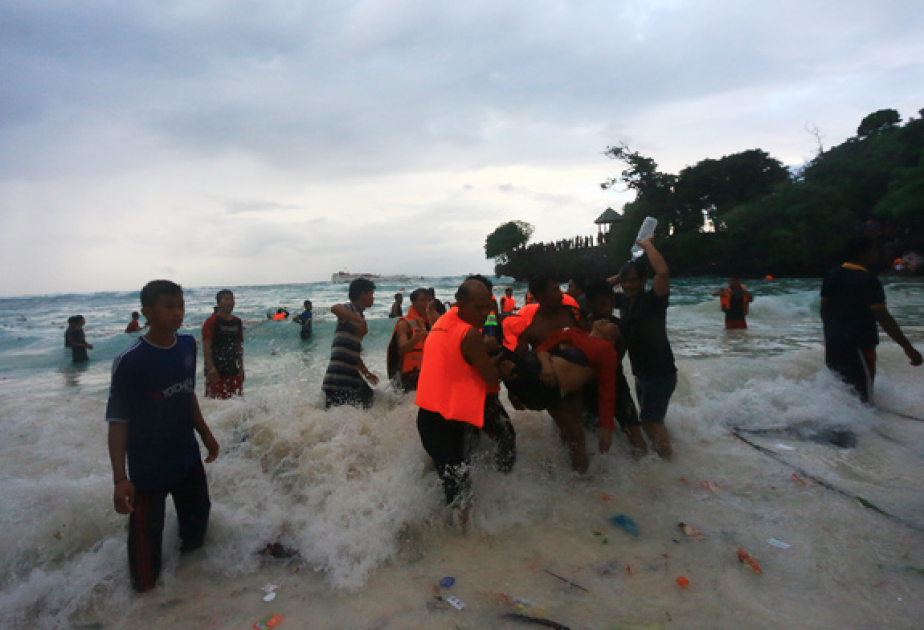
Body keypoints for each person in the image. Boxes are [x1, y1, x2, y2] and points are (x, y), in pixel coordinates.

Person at [106, 280, 220, 593]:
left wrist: (205, 433)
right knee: (144, 573)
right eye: (169, 307)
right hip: (148, 470)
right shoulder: (131, 361)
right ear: (147, 312)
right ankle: (146, 608)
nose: (178, 313)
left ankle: (189, 596)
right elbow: (117, 422)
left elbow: (188, 393)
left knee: (195, 538)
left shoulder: (187, 345)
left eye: (181, 305)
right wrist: (120, 478)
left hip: (187, 458)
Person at [415, 277, 511, 512]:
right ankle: (464, 529)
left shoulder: (442, 321)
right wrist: (497, 358)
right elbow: (490, 378)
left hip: (428, 418)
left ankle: (444, 524)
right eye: (478, 308)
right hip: (448, 424)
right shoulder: (470, 334)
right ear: (459, 303)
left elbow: (454, 353)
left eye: (488, 306)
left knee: (453, 483)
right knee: (460, 487)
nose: (485, 313)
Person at [505, 274, 595, 472]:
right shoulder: (531, 326)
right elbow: (518, 361)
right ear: (540, 295)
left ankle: (564, 470)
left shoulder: (573, 314)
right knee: (575, 432)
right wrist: (514, 392)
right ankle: (582, 478)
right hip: (551, 385)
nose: (560, 293)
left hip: (577, 382)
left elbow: (593, 342)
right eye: (554, 289)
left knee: (572, 429)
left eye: (558, 288)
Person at [820, 236, 922, 403]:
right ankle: (866, 419)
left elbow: (824, 310)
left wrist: (831, 333)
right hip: (858, 344)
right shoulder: (868, 279)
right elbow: (883, 316)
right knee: (863, 395)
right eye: (874, 249)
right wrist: (907, 347)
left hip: (833, 342)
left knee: (843, 392)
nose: (877, 253)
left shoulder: (831, 275)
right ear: (863, 252)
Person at [607, 237, 677, 459]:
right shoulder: (625, 301)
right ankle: (665, 458)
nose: (629, 285)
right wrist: (622, 274)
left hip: (661, 372)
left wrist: (647, 246)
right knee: (651, 419)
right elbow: (598, 290)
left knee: (650, 421)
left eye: (634, 281)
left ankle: (669, 464)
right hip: (642, 373)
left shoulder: (654, 300)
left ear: (644, 280)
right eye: (625, 282)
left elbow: (663, 272)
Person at [584, 279, 645, 457]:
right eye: (602, 304)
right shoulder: (580, 324)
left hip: (616, 384)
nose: (608, 308)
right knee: (590, 437)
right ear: (590, 304)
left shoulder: (619, 327)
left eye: (611, 303)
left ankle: (647, 469)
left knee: (635, 433)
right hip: (587, 389)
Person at [322, 277, 379, 408]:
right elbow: (335, 308)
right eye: (371, 294)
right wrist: (360, 321)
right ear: (363, 295)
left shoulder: (358, 315)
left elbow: (353, 353)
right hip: (338, 378)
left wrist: (367, 373)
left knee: (370, 400)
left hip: (350, 376)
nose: (373, 298)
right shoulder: (350, 310)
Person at [201, 290, 244, 399]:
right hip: (216, 369)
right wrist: (211, 368)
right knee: (216, 401)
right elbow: (206, 347)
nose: (230, 302)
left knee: (238, 401)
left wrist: (241, 367)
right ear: (218, 303)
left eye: (231, 299)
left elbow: (239, 346)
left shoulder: (237, 322)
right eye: (226, 299)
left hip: (233, 368)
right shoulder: (211, 321)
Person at [387, 288, 432, 392]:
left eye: (429, 300)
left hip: (425, 373)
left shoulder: (432, 323)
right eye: (422, 300)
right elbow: (401, 349)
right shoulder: (404, 324)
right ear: (414, 303)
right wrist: (416, 339)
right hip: (406, 375)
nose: (426, 304)